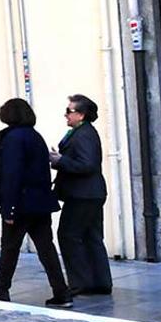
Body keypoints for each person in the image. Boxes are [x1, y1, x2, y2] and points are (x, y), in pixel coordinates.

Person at [0, 98, 73, 308]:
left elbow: (12, 174)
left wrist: (9, 208)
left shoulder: (13, 139)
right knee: (46, 249)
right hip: (40, 202)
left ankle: (1, 289)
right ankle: (61, 292)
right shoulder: (35, 137)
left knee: (9, 248)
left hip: (21, 203)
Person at [51, 94, 112, 296]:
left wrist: (60, 161)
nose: (65, 114)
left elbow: (87, 164)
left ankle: (81, 282)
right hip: (89, 193)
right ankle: (100, 282)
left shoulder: (84, 134)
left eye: (70, 111)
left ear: (81, 114)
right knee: (91, 236)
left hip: (83, 194)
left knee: (69, 235)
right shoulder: (81, 132)